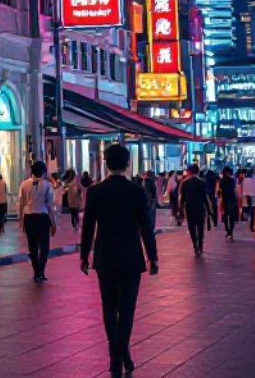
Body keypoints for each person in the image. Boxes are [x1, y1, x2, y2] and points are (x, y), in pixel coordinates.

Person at [79, 144, 158, 377]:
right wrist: (153, 258)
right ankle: (123, 353)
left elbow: (88, 227)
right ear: (127, 164)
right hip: (132, 257)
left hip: (105, 257)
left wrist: (84, 256)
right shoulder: (137, 192)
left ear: (105, 163)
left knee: (109, 306)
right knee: (127, 309)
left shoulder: (95, 192)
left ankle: (116, 356)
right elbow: (146, 228)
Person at [19, 160, 59, 282]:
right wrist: (53, 223)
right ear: (42, 171)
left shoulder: (24, 184)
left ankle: (36, 272)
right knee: (44, 246)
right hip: (42, 217)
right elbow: (50, 205)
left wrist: (21, 220)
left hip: (29, 217)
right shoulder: (47, 185)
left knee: (33, 247)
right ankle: (41, 270)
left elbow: (21, 203)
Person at [179, 165, 209, 255]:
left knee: (192, 227)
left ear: (189, 172)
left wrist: (180, 209)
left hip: (190, 208)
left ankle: (195, 245)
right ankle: (200, 245)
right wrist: (208, 209)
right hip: (200, 207)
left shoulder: (184, 183)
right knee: (200, 227)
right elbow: (205, 197)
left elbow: (182, 198)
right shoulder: (202, 183)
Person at [218, 167, 240, 240]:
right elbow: (235, 191)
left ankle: (228, 231)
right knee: (231, 217)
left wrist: (220, 200)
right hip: (232, 199)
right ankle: (230, 232)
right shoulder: (232, 180)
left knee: (225, 216)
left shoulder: (221, 181)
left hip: (225, 199)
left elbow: (220, 192)